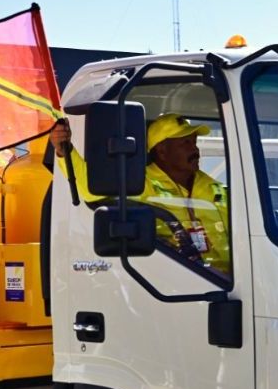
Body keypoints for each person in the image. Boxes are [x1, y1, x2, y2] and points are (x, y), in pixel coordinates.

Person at [49, 114, 231, 276]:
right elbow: (92, 190)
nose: (195, 150)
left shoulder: (216, 188)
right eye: (185, 143)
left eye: (194, 141)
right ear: (162, 151)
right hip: (186, 280)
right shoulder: (141, 183)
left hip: (236, 280)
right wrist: (65, 151)